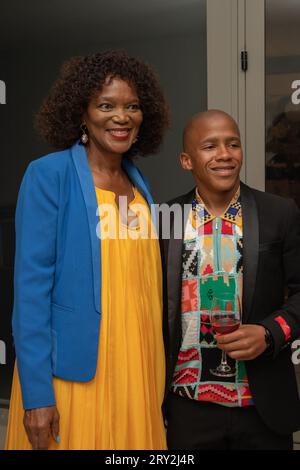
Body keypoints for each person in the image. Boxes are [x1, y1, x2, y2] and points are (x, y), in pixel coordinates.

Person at [5, 50, 169, 450]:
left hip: (137, 370)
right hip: (76, 374)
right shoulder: (49, 175)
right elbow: (30, 293)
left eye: (132, 106)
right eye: (106, 105)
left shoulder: (138, 184)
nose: (122, 116)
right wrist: (38, 397)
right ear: (81, 113)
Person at [160, 109, 300, 450]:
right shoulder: (165, 220)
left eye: (233, 144)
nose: (224, 154)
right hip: (188, 405)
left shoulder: (279, 213)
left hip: (261, 405)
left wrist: (270, 333)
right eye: (210, 146)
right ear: (186, 160)